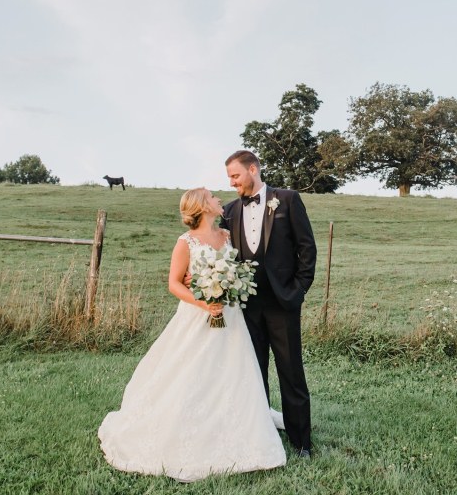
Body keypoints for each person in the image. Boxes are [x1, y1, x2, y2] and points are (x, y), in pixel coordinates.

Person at [98, 187, 286, 482]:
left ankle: (235, 426)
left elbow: (237, 270)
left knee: (233, 372)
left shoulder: (227, 236)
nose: (218, 200)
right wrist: (204, 302)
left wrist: (231, 286)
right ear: (202, 206)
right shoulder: (185, 242)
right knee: (191, 371)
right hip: (198, 316)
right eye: (212, 197)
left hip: (230, 316)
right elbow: (174, 283)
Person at [220, 150, 317, 458]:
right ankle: (259, 436)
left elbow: (307, 249)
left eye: (235, 176)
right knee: (253, 373)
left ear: (253, 169)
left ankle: (301, 442)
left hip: (283, 304)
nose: (233, 183)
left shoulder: (287, 199)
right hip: (246, 308)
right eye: (229, 178)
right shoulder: (229, 210)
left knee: (291, 372)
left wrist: (298, 290)